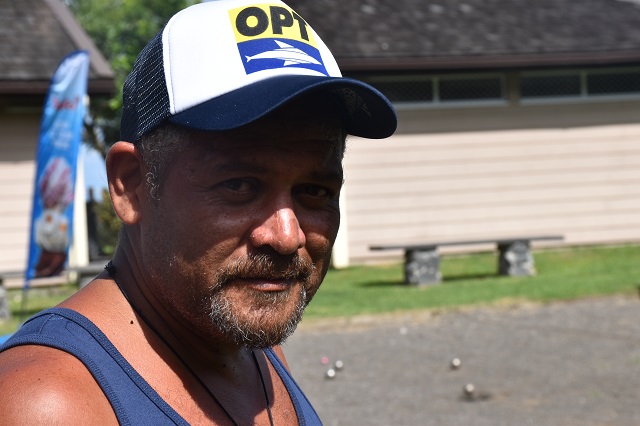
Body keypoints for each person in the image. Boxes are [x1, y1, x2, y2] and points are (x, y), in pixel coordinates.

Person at [0, 1, 396, 424]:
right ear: (131, 185)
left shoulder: (252, 347)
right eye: (239, 185)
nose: (286, 236)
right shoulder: (48, 403)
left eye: (314, 191)